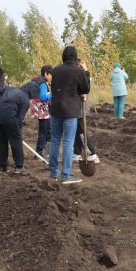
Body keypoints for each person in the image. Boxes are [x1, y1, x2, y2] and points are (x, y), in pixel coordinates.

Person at [49, 46, 90, 184]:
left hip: (55, 109)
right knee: (68, 142)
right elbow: (86, 88)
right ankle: (66, 175)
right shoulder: (78, 71)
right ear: (75, 56)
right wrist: (86, 71)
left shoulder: (56, 70)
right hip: (70, 111)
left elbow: (56, 88)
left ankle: (53, 173)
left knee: (55, 140)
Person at [0, 82, 39, 175]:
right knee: (16, 142)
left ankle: (2, 166)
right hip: (9, 117)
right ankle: (19, 167)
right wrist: (18, 134)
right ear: (32, 93)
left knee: (1, 141)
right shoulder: (25, 100)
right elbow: (19, 119)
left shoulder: (10, 88)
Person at [28, 65, 52, 158]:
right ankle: (39, 152)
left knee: (48, 129)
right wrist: (51, 95)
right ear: (46, 74)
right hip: (41, 111)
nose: (51, 77)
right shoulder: (42, 83)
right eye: (50, 75)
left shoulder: (39, 81)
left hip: (41, 111)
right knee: (44, 130)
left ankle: (46, 150)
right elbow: (42, 97)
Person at [73, 97, 99, 164]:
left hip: (79, 109)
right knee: (77, 132)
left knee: (81, 132)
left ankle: (91, 154)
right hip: (75, 108)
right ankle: (77, 154)